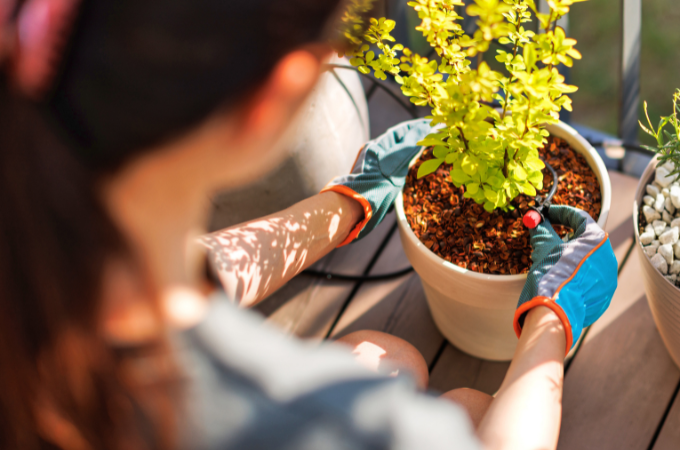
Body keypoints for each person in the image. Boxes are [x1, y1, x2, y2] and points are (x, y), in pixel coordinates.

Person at [0, 0, 617, 449]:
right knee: (468, 406)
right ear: (277, 95)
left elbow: (208, 272)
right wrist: (550, 323)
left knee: (390, 358)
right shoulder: (352, 431)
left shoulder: (41, 254)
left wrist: (349, 202)